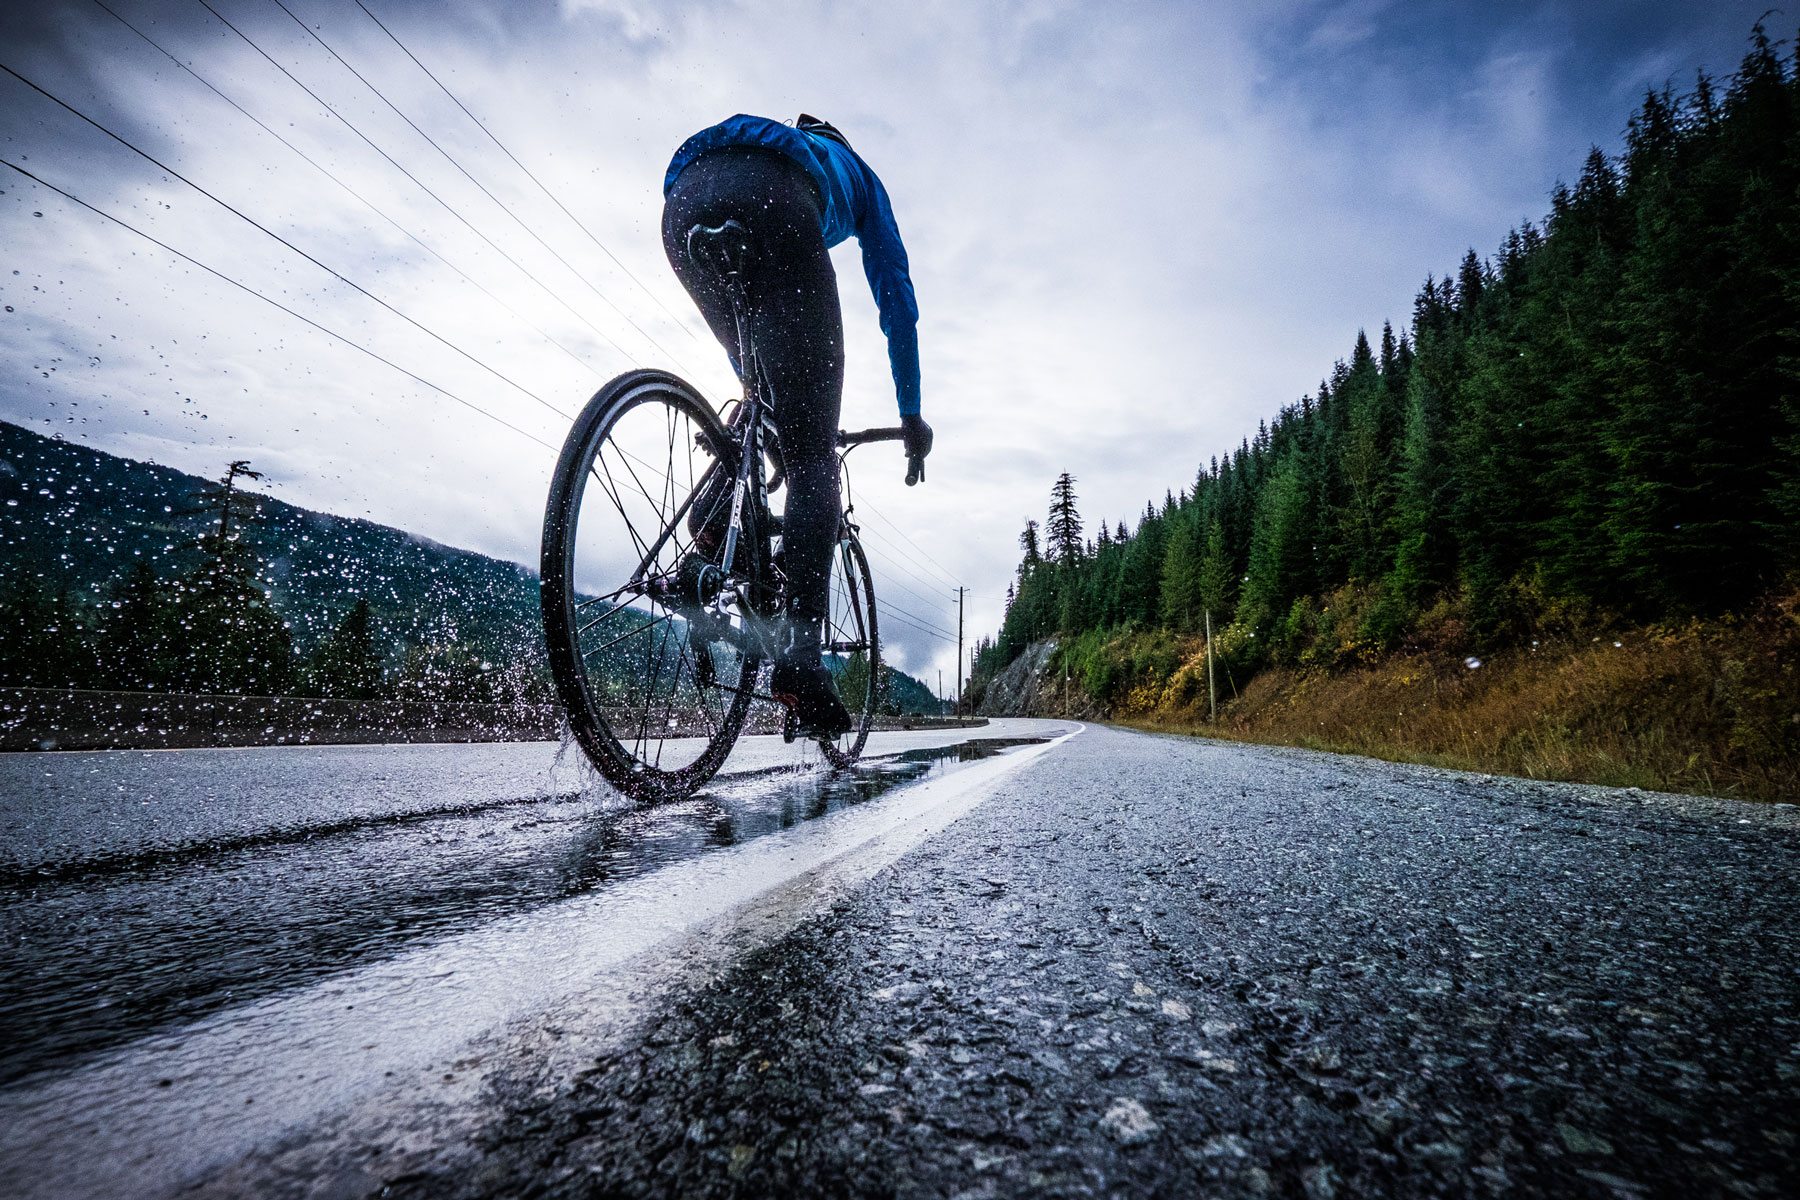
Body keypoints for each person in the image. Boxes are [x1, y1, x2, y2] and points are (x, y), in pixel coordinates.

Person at [662, 113, 932, 736]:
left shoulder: (778, 137)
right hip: (776, 196)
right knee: (813, 460)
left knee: (756, 405)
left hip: (682, 203)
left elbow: (754, 358)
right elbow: (896, 295)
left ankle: (701, 554)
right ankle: (801, 665)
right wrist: (910, 413)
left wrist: (765, 395)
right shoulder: (854, 173)